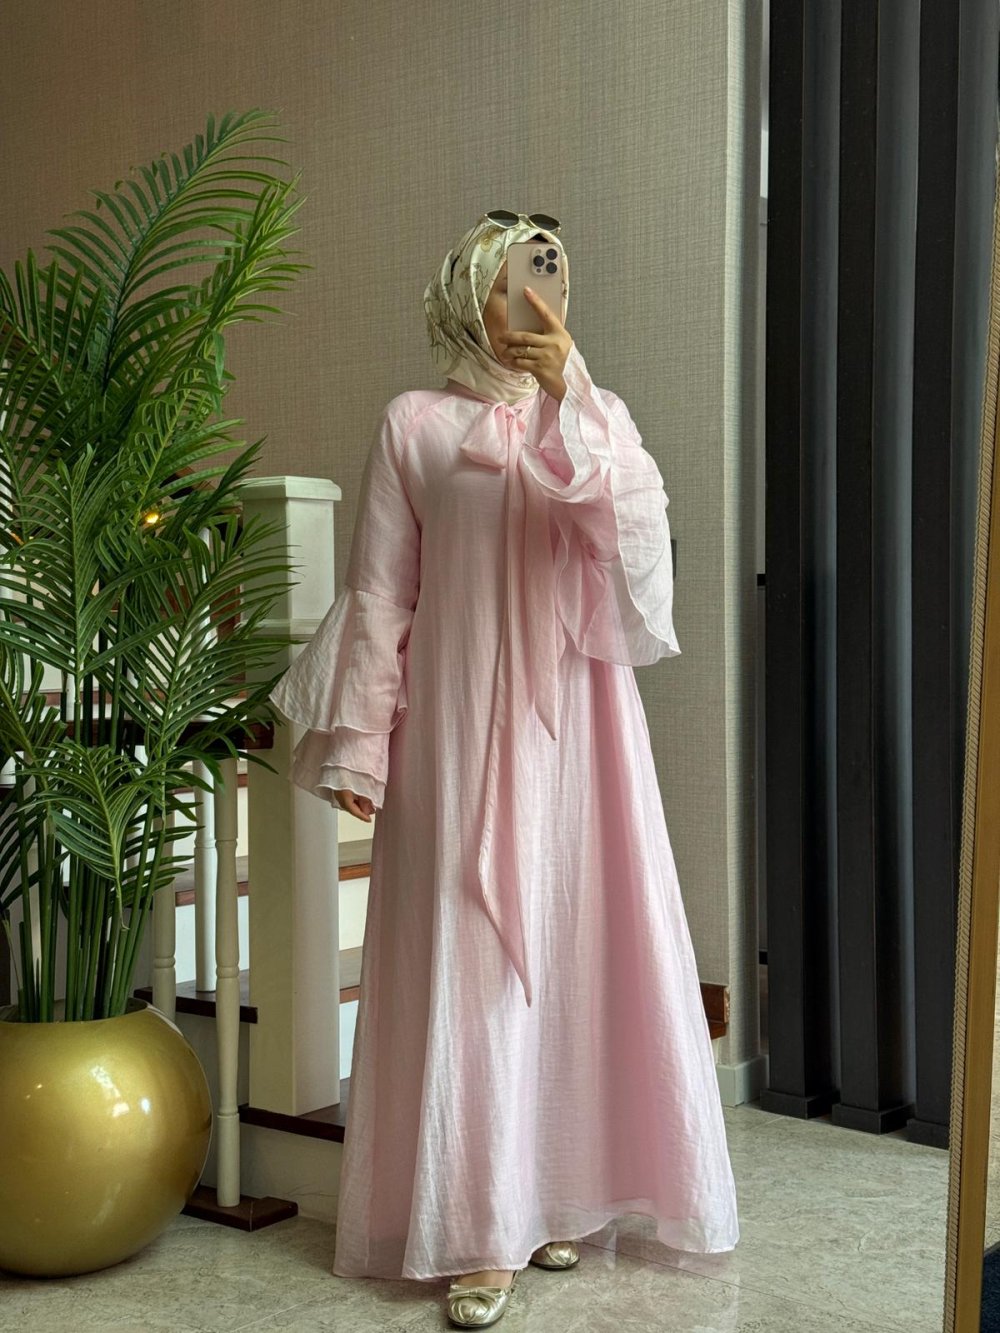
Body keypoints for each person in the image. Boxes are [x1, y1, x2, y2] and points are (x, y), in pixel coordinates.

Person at [268, 210, 740, 1329]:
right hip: (454, 722)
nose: (534, 295)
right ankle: (480, 1227)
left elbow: (634, 553)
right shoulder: (414, 423)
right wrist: (359, 744)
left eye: (550, 274)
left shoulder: (596, 415)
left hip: (582, 726)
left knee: (576, 948)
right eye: (511, 277)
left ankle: (556, 1196)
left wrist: (574, 391)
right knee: (470, 959)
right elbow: (381, 593)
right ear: (466, 295)